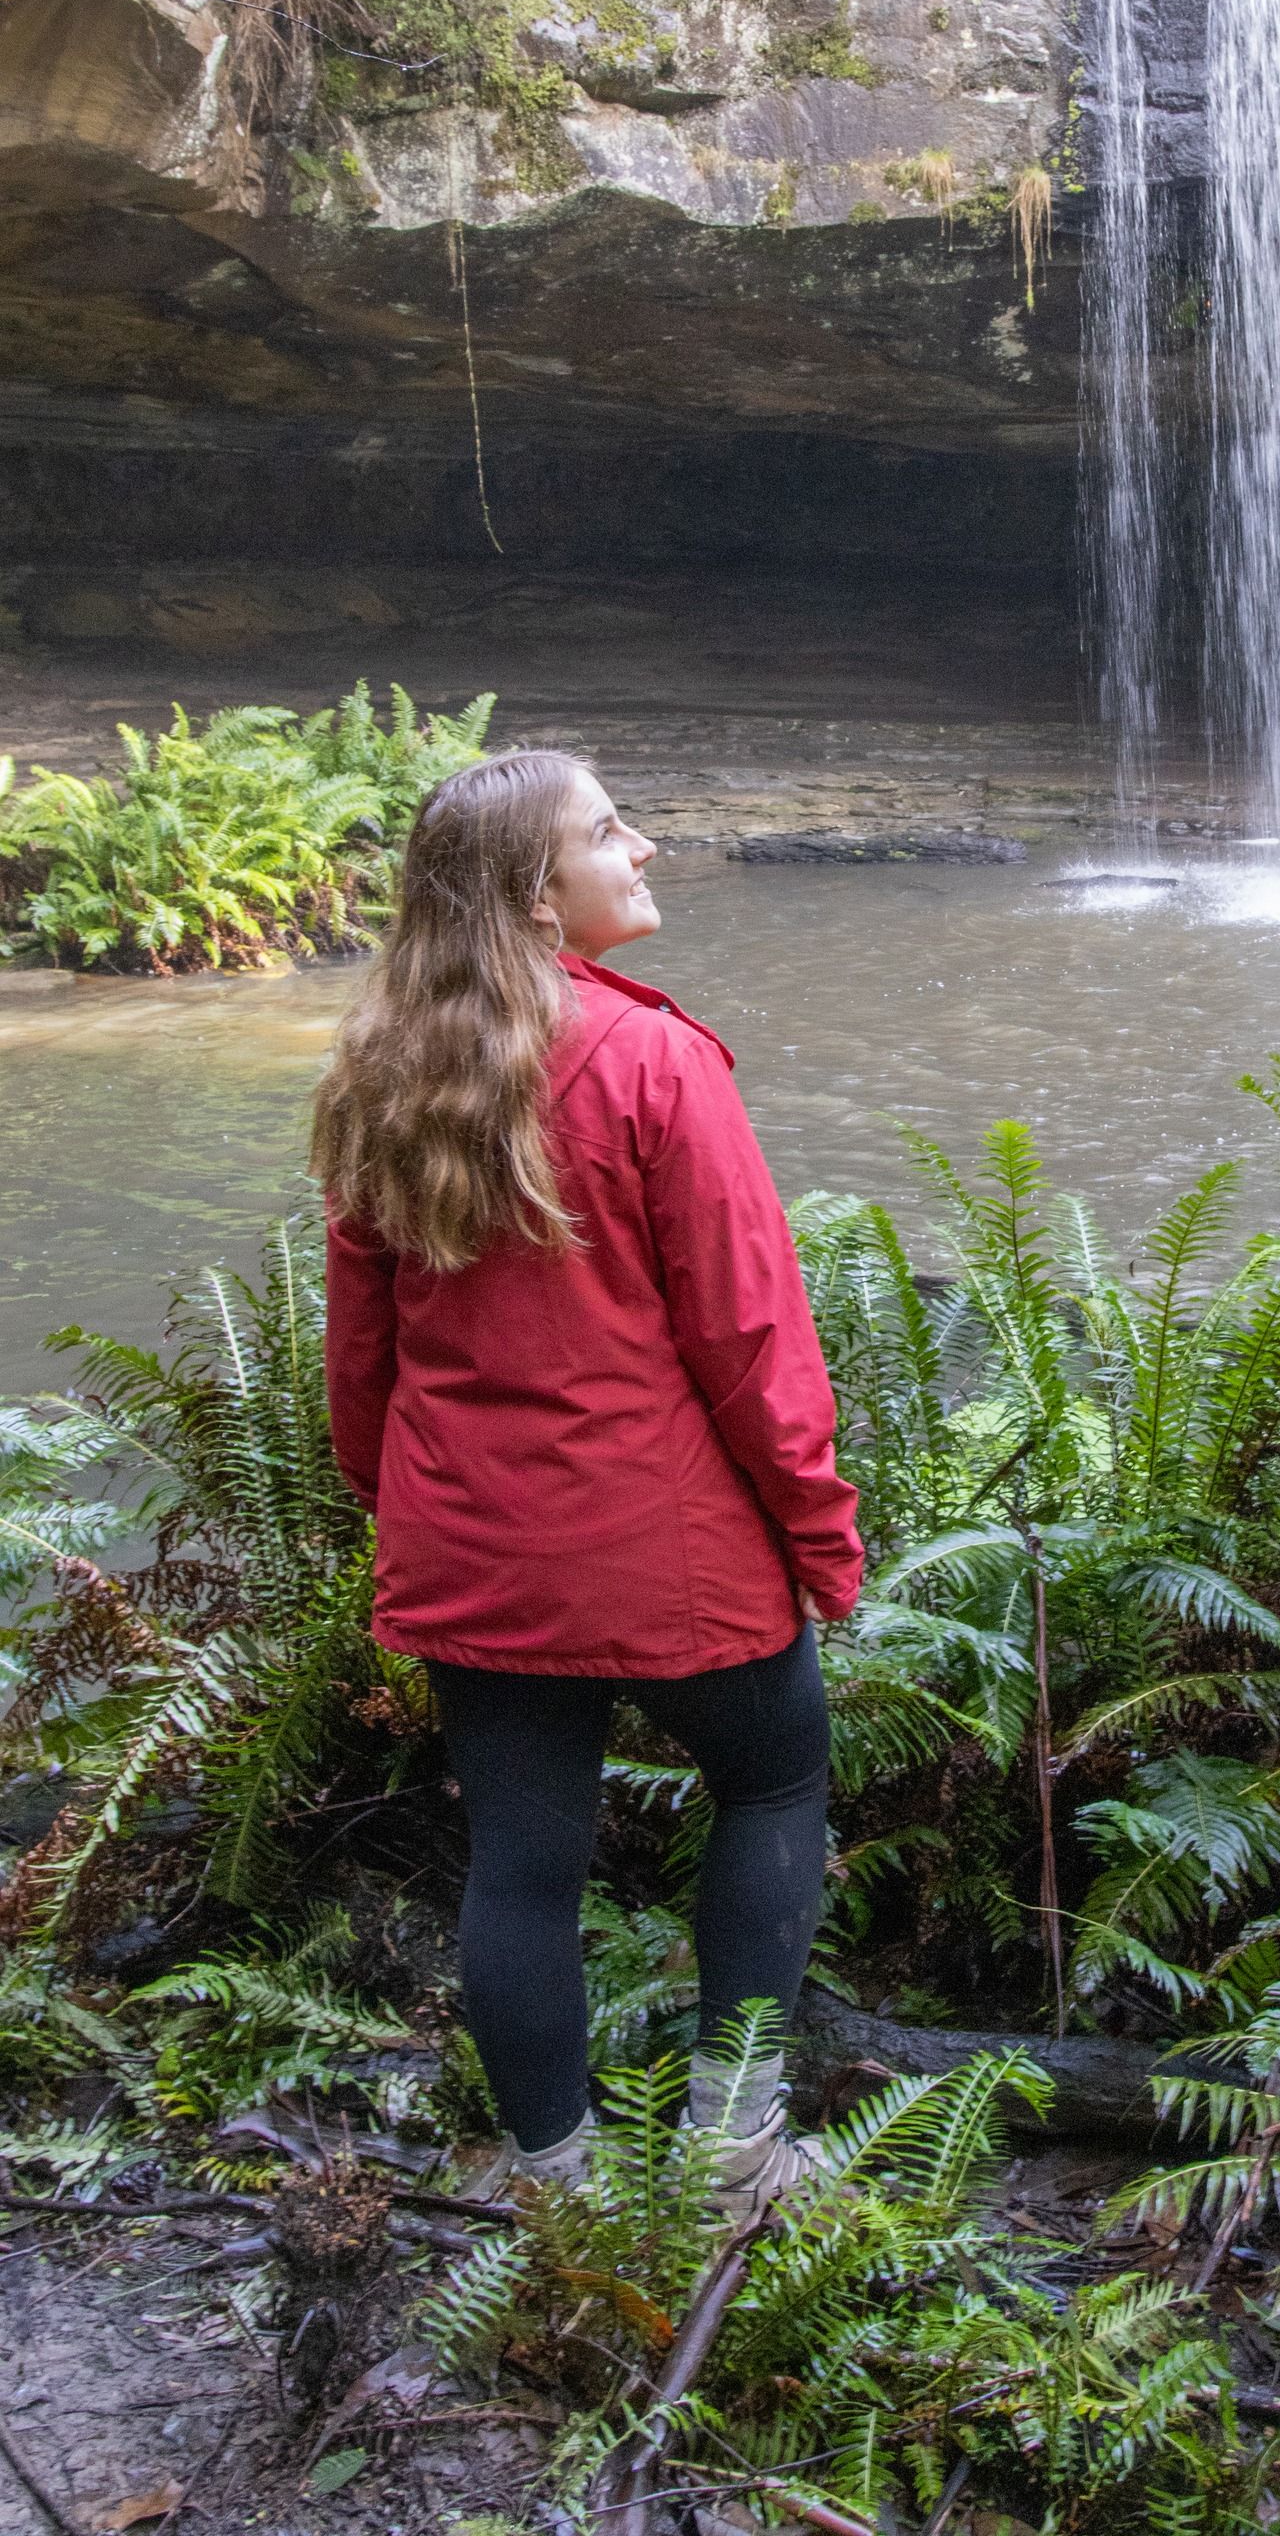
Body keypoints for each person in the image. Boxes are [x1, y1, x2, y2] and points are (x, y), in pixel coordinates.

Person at [311, 751, 863, 2213]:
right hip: (664, 1547)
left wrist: (416, 1509)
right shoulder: (653, 1061)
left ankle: (555, 2186)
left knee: (521, 1863)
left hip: (477, 1553)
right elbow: (752, 1340)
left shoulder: (382, 1068)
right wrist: (823, 1536)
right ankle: (734, 2149)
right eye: (609, 832)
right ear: (536, 897)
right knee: (775, 1778)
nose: (647, 848)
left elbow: (358, 1359)